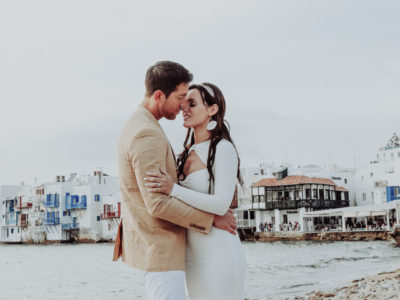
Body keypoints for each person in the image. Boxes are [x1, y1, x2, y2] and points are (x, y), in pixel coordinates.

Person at [112, 61, 238, 300]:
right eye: (181, 98)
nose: (183, 106)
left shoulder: (147, 127)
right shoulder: (145, 132)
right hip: (162, 249)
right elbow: (157, 203)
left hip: (196, 251)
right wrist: (212, 220)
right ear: (159, 95)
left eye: (190, 101)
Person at [144, 82, 246, 299]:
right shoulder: (184, 155)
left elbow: (221, 204)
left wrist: (173, 189)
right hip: (191, 255)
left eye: (192, 103)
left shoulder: (223, 148)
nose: (184, 108)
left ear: (212, 110)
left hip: (219, 251)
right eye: (182, 103)